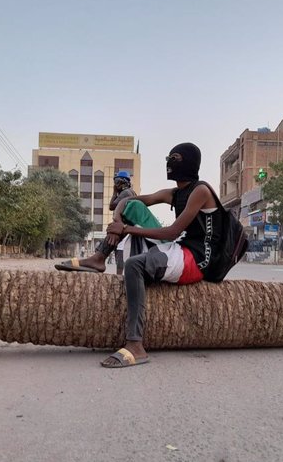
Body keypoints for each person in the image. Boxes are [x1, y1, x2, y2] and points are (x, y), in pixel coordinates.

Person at [55, 142, 223, 368]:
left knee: (134, 265)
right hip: (181, 249)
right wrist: (117, 220)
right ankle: (99, 258)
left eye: (175, 158)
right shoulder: (174, 193)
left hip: (199, 259)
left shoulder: (201, 191)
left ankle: (136, 344)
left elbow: (172, 232)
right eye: (168, 158)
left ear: (189, 162)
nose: (169, 163)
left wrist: (125, 229)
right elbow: (127, 201)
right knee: (133, 207)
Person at [110, 171, 137, 275]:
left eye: (117, 182)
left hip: (123, 229)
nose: (115, 185)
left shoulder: (125, 193)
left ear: (122, 182)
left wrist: (114, 193)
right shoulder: (132, 192)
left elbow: (112, 206)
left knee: (120, 254)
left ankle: (119, 278)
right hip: (128, 228)